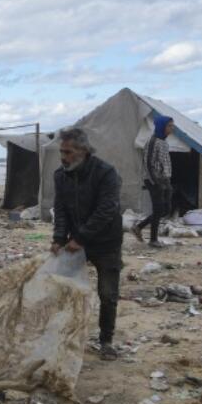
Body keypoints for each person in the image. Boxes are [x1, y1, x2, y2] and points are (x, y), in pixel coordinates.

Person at [50, 127, 123, 360]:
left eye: (68, 152)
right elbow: (60, 209)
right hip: (74, 242)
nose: (63, 157)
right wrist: (59, 238)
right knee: (63, 289)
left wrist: (81, 238)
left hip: (105, 242)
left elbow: (106, 210)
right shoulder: (60, 175)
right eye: (61, 151)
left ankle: (106, 341)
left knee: (107, 293)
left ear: (83, 151)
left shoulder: (105, 173)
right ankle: (62, 336)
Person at [134, 113, 175, 247]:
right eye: (169, 126)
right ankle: (153, 239)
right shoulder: (153, 142)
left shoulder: (164, 142)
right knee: (158, 209)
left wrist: (166, 181)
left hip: (164, 180)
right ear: (162, 126)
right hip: (154, 180)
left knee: (166, 209)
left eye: (172, 126)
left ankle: (139, 227)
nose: (171, 128)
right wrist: (156, 182)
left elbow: (164, 163)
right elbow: (148, 164)